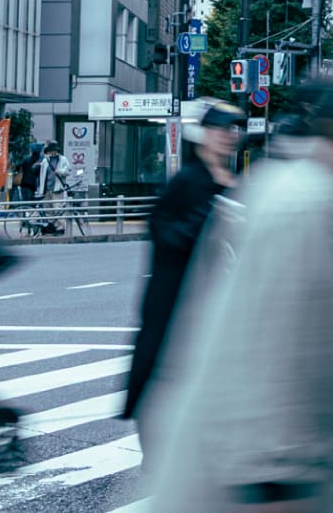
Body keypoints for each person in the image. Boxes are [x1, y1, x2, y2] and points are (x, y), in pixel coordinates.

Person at [147, 67, 333, 513]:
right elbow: (270, 375)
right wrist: (273, 487)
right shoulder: (301, 205)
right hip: (268, 489)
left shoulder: (302, 193)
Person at [123, 101, 244, 459]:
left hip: (220, 298)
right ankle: (159, 449)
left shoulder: (234, 183)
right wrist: (208, 223)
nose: (230, 136)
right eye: (222, 129)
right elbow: (162, 232)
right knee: (166, 372)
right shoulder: (187, 182)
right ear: (205, 136)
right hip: (177, 297)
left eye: (234, 130)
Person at [36, 141, 78, 231]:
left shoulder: (63, 159)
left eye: (54, 150)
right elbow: (42, 175)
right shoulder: (45, 160)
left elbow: (68, 171)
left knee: (57, 208)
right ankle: (52, 226)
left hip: (57, 189)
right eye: (51, 150)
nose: (52, 152)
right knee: (48, 209)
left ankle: (61, 227)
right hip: (46, 189)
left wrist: (60, 171)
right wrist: (40, 188)